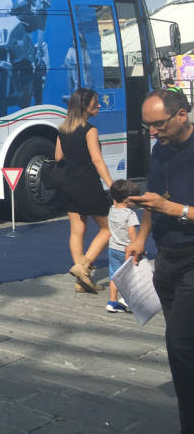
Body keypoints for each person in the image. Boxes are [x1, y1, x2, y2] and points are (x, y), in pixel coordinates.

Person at [126, 88, 194, 433]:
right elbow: (153, 200)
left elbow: (168, 205)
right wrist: (140, 238)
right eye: (147, 125)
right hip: (165, 258)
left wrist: (177, 210)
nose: (153, 132)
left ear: (182, 115)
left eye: (158, 124)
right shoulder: (159, 149)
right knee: (183, 346)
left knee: (180, 345)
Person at [55, 87, 112, 293]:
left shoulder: (63, 129)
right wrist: (112, 185)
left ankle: (81, 281)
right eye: (95, 102)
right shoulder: (90, 130)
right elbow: (97, 160)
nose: (98, 105)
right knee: (108, 229)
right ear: (84, 106)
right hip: (88, 184)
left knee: (77, 230)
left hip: (69, 184)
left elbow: (58, 157)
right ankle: (83, 266)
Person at [106, 179, 139, 313]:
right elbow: (132, 234)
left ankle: (112, 302)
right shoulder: (130, 214)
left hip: (113, 248)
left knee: (114, 275)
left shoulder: (112, 210)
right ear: (127, 199)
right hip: (126, 250)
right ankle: (126, 300)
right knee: (131, 276)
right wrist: (136, 247)